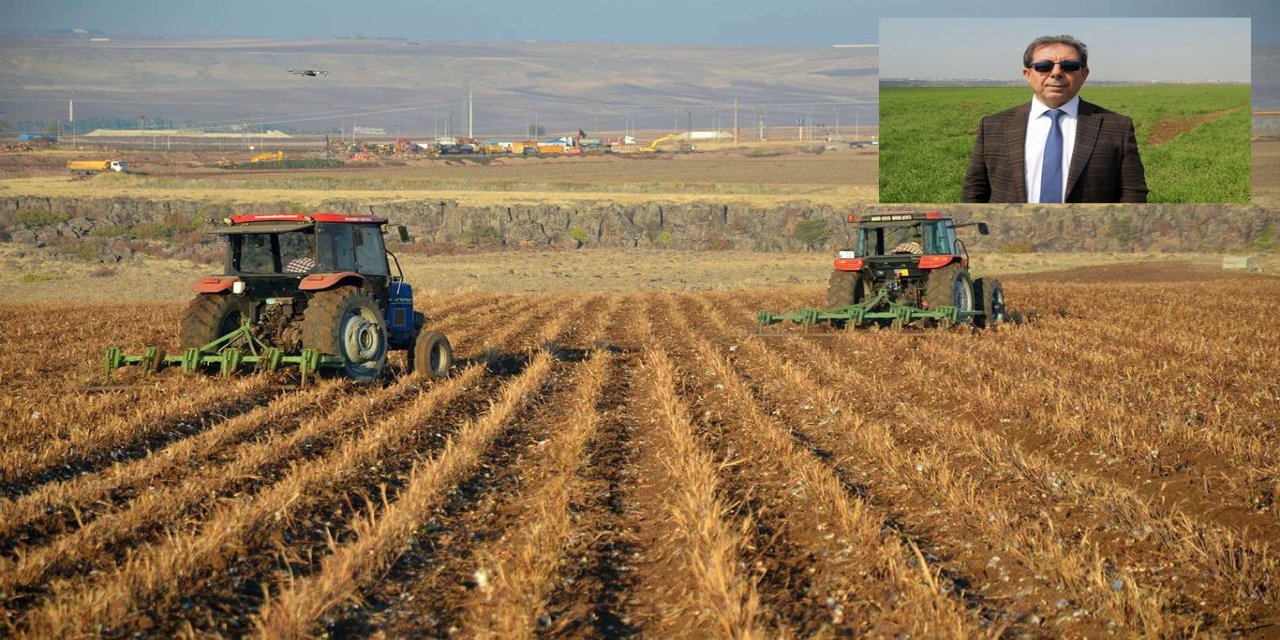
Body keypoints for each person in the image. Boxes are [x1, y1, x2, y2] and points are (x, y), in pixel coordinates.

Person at [962, 35, 1147, 204]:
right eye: (1044, 66)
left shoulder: (1116, 126)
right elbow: (974, 191)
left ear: (1084, 74)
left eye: (1069, 66)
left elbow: (1133, 194)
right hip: (1011, 237)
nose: (1056, 73)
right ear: (1028, 75)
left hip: (1090, 237)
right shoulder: (994, 125)